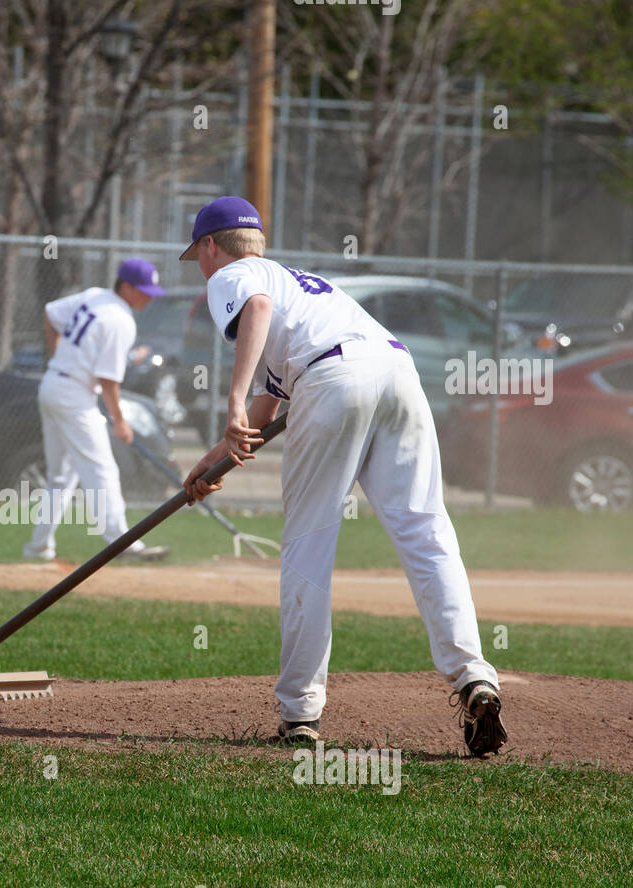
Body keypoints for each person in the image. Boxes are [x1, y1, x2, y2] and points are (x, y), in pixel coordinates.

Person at [180, 197, 507, 757]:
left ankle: (299, 713)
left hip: (331, 377)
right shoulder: (303, 287)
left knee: (309, 542)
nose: (202, 266)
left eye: (199, 255)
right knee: (426, 532)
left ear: (212, 245)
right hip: (395, 371)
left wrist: (229, 404)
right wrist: (214, 465)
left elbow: (254, 308)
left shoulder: (238, 276)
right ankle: (474, 677)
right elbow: (267, 409)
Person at [24, 258, 170, 563]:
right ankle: (122, 543)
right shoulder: (120, 319)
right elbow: (108, 380)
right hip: (73, 395)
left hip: (52, 385)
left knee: (61, 476)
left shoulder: (93, 296)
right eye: (143, 290)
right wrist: (120, 422)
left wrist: (62, 358)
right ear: (126, 286)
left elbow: (50, 314)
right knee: (101, 468)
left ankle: (39, 546)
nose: (148, 296)